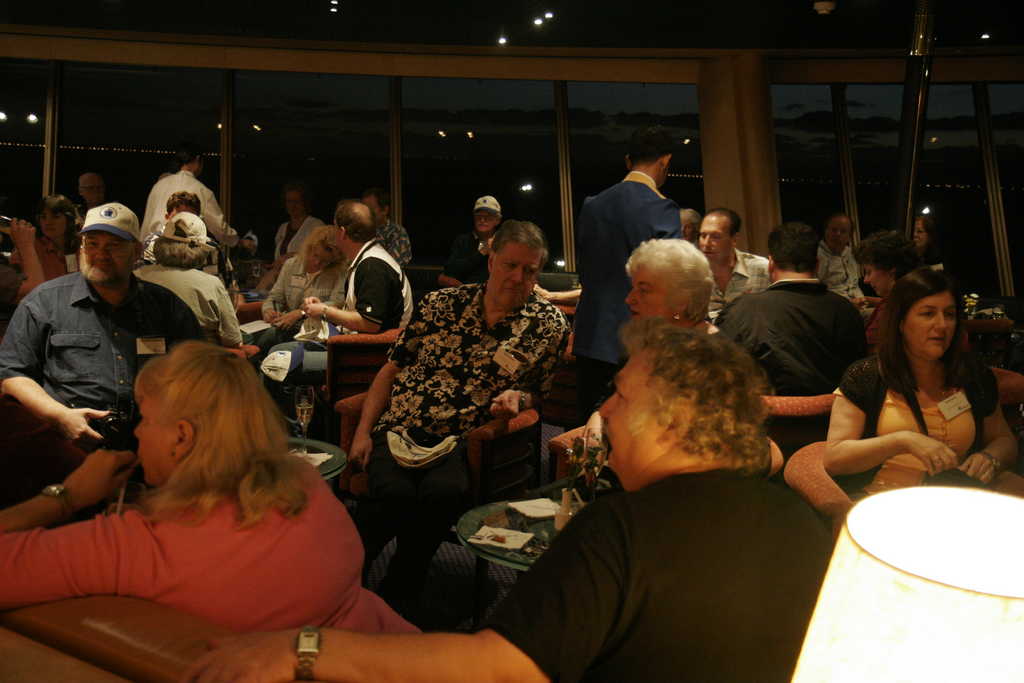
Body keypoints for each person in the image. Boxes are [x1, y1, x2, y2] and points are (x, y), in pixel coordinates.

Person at [182, 319, 831, 683]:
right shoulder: (800, 523)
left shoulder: (623, 528)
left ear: (674, 420)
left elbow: (496, 666)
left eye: (622, 395)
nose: (605, 409)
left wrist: (304, 649)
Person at [0, 341, 417, 635]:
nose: (138, 433)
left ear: (181, 437)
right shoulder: (305, 482)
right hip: (392, 649)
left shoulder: (135, 546)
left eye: (144, 418)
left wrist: (66, 496)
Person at [352, 221, 569, 617]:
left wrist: (518, 397)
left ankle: (396, 590)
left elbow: (538, 391)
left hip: (462, 437)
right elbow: (390, 369)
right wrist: (362, 433)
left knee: (444, 493)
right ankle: (351, 581)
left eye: (530, 270)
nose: (518, 278)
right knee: (393, 495)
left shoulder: (547, 324)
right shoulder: (440, 303)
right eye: (511, 265)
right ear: (491, 261)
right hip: (402, 424)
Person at [0, 202, 202, 506]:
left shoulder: (166, 307)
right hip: (66, 450)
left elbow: (200, 376)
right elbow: (11, 372)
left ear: (136, 252)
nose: (100, 254)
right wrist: (59, 416)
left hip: (149, 452)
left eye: (114, 246)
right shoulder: (45, 302)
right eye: (91, 244)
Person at [824, 268, 1016, 496]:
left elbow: (1004, 440)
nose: (942, 325)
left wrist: (991, 457)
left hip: (956, 497)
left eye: (949, 314)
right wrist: (901, 441)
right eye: (928, 314)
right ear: (901, 322)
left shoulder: (972, 375)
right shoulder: (867, 376)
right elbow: (835, 459)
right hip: (883, 500)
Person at [572, 125, 681, 421]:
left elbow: (585, 271)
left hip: (590, 336)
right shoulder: (661, 209)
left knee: (586, 433)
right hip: (636, 344)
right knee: (632, 437)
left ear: (628, 161)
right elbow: (672, 281)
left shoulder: (592, 206)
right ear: (665, 161)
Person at [268, 200, 413, 389]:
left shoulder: (373, 266)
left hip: (372, 356)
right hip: (355, 345)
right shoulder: (366, 259)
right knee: (279, 351)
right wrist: (323, 307)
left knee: (277, 361)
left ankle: (289, 410)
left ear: (342, 232)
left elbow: (369, 323)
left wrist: (325, 310)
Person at [717, 221, 867, 396]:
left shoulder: (739, 311)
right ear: (817, 265)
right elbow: (859, 381)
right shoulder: (846, 311)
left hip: (762, 413)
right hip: (836, 412)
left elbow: (722, 377)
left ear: (770, 264)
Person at [135, 212, 244, 349]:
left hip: (146, 357)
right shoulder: (211, 284)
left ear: (160, 244)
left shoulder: (136, 277)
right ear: (200, 249)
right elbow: (233, 339)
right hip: (197, 357)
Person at [252, 224, 347, 354]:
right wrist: (269, 310)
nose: (317, 263)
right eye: (316, 255)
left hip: (314, 333)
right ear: (309, 248)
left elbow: (337, 304)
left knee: (267, 340)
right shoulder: (291, 265)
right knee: (249, 338)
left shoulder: (339, 273)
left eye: (325, 261)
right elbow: (275, 297)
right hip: (285, 325)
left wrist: (301, 313)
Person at [141, 142, 241, 248]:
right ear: (197, 160)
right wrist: (237, 241)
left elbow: (146, 224)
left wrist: (140, 250)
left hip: (153, 247)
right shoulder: (201, 190)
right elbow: (219, 227)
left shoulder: (159, 185)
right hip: (183, 250)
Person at [625, 238, 716, 333]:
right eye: (633, 288)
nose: (629, 299)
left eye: (644, 290)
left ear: (681, 300)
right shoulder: (658, 337)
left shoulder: (704, 342)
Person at [853, 229, 921, 349]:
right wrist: (871, 300)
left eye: (869, 272)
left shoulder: (889, 313)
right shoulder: (914, 294)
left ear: (891, 271)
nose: (866, 280)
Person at [699, 207, 770, 321]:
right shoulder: (693, 273)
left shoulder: (762, 269)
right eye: (703, 236)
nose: (706, 243)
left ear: (734, 239)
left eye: (715, 237)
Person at [7, 194, 81, 301]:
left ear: (69, 220)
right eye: (43, 217)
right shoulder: (30, 245)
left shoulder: (83, 244)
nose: (48, 222)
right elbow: (15, 285)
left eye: (56, 216)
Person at [256, 181, 326, 292]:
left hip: (305, 284)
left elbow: (322, 256)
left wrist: (292, 256)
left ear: (305, 202)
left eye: (296, 201)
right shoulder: (283, 228)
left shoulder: (316, 225)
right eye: (289, 201)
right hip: (282, 282)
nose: (292, 206)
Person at [438, 195, 502, 288]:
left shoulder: (503, 242)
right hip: (463, 291)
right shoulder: (462, 240)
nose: (482, 220)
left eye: (487, 217)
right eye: (478, 216)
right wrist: (482, 252)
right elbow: (450, 270)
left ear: (497, 220)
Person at [816, 212, 863, 301]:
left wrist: (862, 300)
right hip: (832, 303)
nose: (838, 234)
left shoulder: (849, 252)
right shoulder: (817, 255)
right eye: (834, 230)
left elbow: (854, 285)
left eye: (843, 231)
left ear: (849, 236)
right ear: (826, 231)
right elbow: (817, 290)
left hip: (857, 301)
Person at [362, 186, 412, 267]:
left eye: (371, 209)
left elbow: (391, 265)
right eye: (364, 209)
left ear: (385, 210)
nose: (366, 213)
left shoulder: (397, 232)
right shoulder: (360, 231)